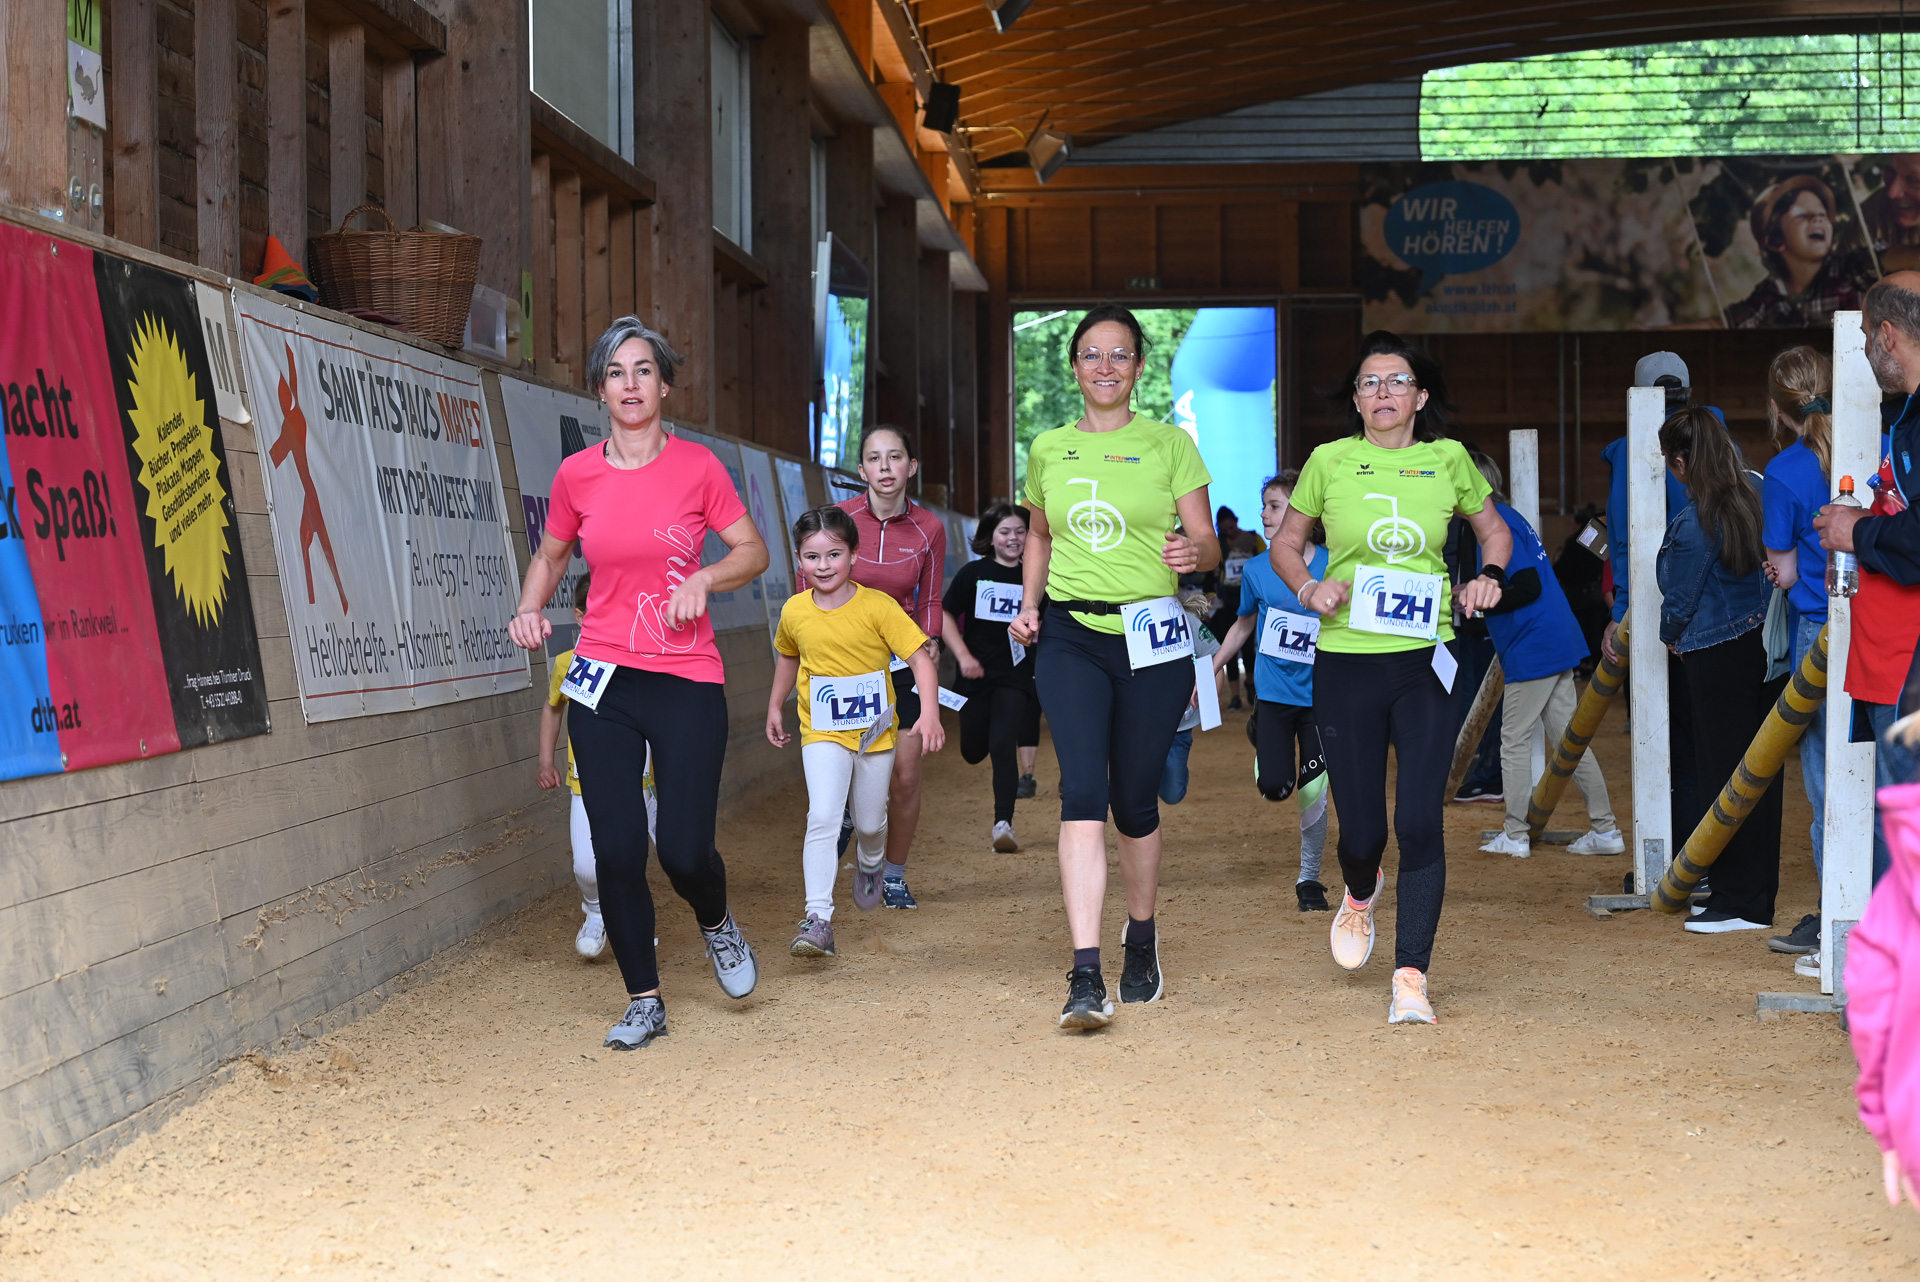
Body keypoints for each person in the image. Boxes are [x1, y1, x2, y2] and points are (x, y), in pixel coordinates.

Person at [507, 316, 770, 1051]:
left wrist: (706, 579)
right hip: (604, 682)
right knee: (617, 849)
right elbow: (552, 556)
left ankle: (716, 922)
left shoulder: (698, 469)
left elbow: (752, 550)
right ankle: (644, 1000)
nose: (630, 384)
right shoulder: (577, 475)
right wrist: (529, 608)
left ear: (664, 386)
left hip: (686, 677)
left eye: (644, 370)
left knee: (683, 850)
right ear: (600, 389)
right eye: (617, 372)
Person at [1273, 330, 1512, 1026]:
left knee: (1419, 820)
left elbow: (1495, 532)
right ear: (1356, 399)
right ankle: (1359, 890)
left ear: (1421, 396)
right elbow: (1287, 544)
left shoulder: (1449, 459)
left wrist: (1489, 576)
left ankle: (1411, 976)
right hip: (1346, 661)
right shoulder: (1328, 461)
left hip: (1425, 659)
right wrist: (1308, 587)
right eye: (1370, 382)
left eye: (1397, 380)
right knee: (1362, 835)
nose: (1383, 392)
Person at [1009, 303, 1219, 1030]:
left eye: (1120, 354)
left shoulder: (1170, 444)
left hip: (1151, 636)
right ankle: (1084, 972)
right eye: (1092, 355)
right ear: (1074, 367)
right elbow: (1039, 535)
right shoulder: (1048, 447)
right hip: (1071, 634)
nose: (1105, 367)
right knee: (1082, 793)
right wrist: (1030, 605)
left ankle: (1142, 935)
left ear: (1139, 366)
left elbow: (1206, 541)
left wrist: (1193, 553)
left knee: (1133, 802)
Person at [767, 507, 945, 959]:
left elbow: (920, 658)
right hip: (821, 731)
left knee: (869, 823)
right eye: (812, 557)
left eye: (834, 555)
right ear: (798, 560)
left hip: (875, 735)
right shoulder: (794, 610)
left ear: (854, 555)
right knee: (823, 816)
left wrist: (929, 713)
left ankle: (870, 863)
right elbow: (788, 655)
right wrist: (774, 705)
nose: (823, 566)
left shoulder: (878, 606)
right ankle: (818, 918)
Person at [1656, 407, 1783, 934]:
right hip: (1764, 646)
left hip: (1714, 653)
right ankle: (1751, 893)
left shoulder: (1694, 521)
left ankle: (1739, 900)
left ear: (1681, 462)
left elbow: (1679, 600)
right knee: (1760, 773)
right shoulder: (1757, 491)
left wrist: (1670, 635)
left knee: (1723, 776)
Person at [1462, 452, 1624, 860]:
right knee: (1570, 741)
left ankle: (1515, 833)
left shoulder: (1497, 523)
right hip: (1554, 637)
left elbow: (1526, 586)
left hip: (1534, 644)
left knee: (1514, 739)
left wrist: (1474, 598)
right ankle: (1605, 828)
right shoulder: (1508, 518)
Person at [1816, 273, 1920, 889]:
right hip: (1893, 660)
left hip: (1908, 665)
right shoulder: (1907, 417)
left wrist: (1856, 531)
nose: (1862, 351)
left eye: (1863, 337)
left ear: (1887, 334)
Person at [1212, 471, 1333, 911]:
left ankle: (1309, 879)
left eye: (1274, 506)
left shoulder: (1335, 564)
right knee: (1276, 787)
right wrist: (1212, 665)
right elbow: (1244, 623)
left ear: (1303, 513)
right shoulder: (1257, 569)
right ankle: (1261, 731)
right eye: (1263, 505)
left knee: (1313, 791)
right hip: (1275, 696)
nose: (1263, 514)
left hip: (1322, 699)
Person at [837, 425, 947, 909]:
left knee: (905, 774)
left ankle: (894, 874)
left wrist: (931, 639)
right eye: (874, 458)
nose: (885, 467)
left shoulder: (930, 528)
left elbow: (930, 599)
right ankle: (851, 817)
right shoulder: (838, 520)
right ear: (862, 469)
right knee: (848, 771)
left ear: (911, 466)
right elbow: (809, 585)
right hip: (843, 665)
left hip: (901, 665)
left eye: (895, 456)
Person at [1601, 353, 1704, 850]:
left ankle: (1677, 854)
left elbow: (1627, 541)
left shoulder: (1634, 447)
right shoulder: (1717, 437)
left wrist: (1622, 611)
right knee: (1704, 736)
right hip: (1723, 610)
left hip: (1662, 610)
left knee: (1664, 737)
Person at [537, 572, 660, 960]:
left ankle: (635, 923)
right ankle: (595, 912)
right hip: (585, 782)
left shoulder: (644, 659)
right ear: (580, 616)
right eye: (598, 611)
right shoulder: (568, 663)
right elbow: (553, 708)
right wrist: (546, 759)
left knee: (632, 857)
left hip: (637, 781)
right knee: (587, 869)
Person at [1759, 346, 1837, 960]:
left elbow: (1784, 573)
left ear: (1776, 407)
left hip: (1819, 630)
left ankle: (1838, 917)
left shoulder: (1784, 470)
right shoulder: (1879, 442)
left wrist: (1778, 570)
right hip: (1884, 623)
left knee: (1826, 779)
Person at [941, 501, 1041, 852]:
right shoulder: (973, 573)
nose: (1013, 538)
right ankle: (979, 739)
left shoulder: (1035, 579)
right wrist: (963, 657)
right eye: (1005, 532)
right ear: (990, 536)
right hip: (974, 675)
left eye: (1020, 532)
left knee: (1002, 744)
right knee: (972, 750)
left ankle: (1003, 824)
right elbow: (945, 615)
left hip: (1015, 676)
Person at [1724, 174, 1873, 329]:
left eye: (1822, 214)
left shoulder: (1851, 268)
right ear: (1776, 239)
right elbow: (1728, 321)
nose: (1818, 219)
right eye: (1802, 215)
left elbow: (1883, 260)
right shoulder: (1768, 295)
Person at [1157, 587, 1224, 806]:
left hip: (1181, 724)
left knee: (1173, 793)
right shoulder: (1127, 623)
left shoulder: (1188, 621)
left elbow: (1213, 658)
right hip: (1143, 723)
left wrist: (1211, 696)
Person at [1209, 506, 1265, 710]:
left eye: (1231, 528)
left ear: (1236, 521)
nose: (1229, 532)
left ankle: (1249, 684)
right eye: (1225, 530)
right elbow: (1212, 569)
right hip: (1226, 602)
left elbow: (1266, 562)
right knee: (1228, 649)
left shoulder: (1254, 539)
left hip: (1249, 597)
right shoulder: (1218, 543)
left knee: (1249, 648)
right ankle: (1234, 695)